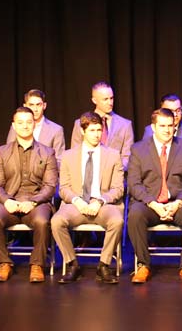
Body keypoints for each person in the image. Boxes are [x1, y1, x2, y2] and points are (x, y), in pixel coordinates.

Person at [127, 107, 182, 284]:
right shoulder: (138, 149)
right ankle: (143, 265)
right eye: (162, 126)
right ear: (153, 127)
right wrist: (153, 204)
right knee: (135, 215)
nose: (167, 130)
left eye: (171, 125)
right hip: (150, 204)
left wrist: (177, 203)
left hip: (177, 202)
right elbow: (134, 184)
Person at [52, 112, 126, 285]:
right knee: (56, 222)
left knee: (117, 221)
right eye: (92, 130)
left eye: (99, 130)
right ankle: (73, 264)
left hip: (103, 204)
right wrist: (77, 201)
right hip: (77, 204)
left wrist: (100, 201)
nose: (97, 134)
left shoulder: (113, 155)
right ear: (82, 131)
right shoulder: (68, 155)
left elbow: (118, 188)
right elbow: (64, 188)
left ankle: (104, 265)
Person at [0, 106, 58, 283]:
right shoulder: (3, 152)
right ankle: (4, 263)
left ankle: (37, 265)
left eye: (28, 122)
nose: (25, 126)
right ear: (14, 125)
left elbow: (50, 186)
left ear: (34, 124)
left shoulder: (47, 152)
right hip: (9, 200)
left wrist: (33, 202)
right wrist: (6, 200)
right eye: (20, 122)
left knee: (42, 221)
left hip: (36, 202)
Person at [70, 82, 133, 169]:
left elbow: (127, 157)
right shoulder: (80, 123)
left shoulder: (125, 125)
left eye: (111, 98)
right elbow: (75, 153)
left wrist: (110, 170)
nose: (110, 102)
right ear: (94, 100)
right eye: (105, 99)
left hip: (115, 177)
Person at [141, 93, 182, 166]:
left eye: (178, 110)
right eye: (170, 111)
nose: (175, 115)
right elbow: (144, 158)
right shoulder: (150, 131)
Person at [7, 89, 66, 162]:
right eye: (31, 105)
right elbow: (8, 154)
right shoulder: (17, 127)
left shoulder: (56, 130)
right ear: (25, 106)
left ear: (44, 105)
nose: (35, 109)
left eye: (38, 105)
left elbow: (59, 160)